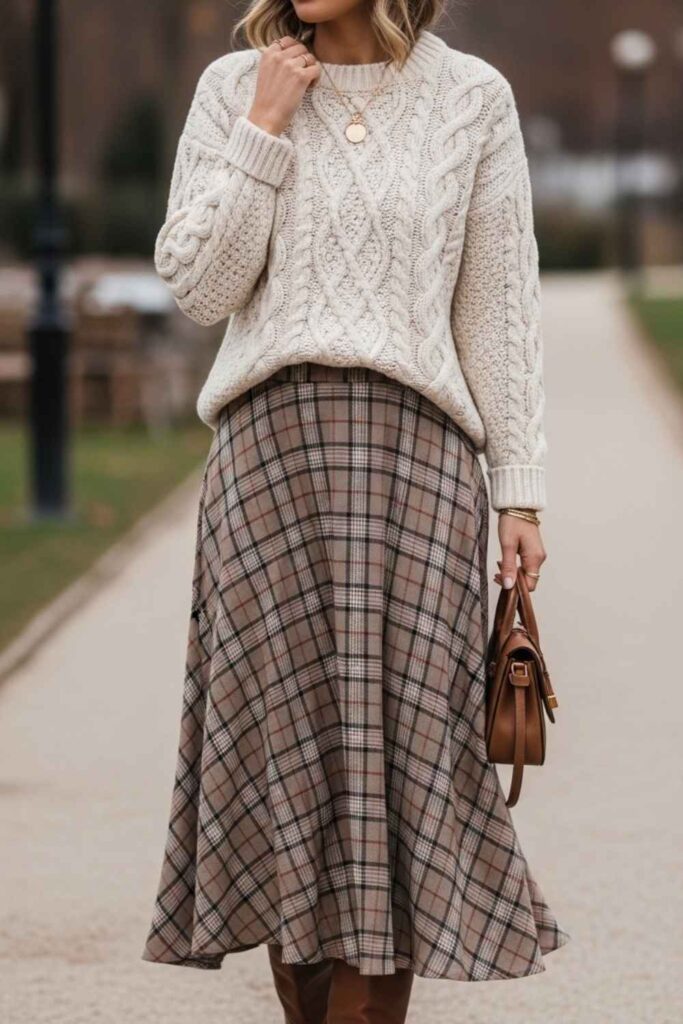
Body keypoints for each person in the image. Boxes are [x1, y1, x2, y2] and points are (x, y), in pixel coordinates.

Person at [140, 1, 570, 1020]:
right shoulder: (231, 88)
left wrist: (519, 488)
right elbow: (200, 289)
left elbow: (497, 304)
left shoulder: (469, 97)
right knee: (283, 766)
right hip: (268, 465)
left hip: (417, 468)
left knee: (406, 776)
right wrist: (263, 128)